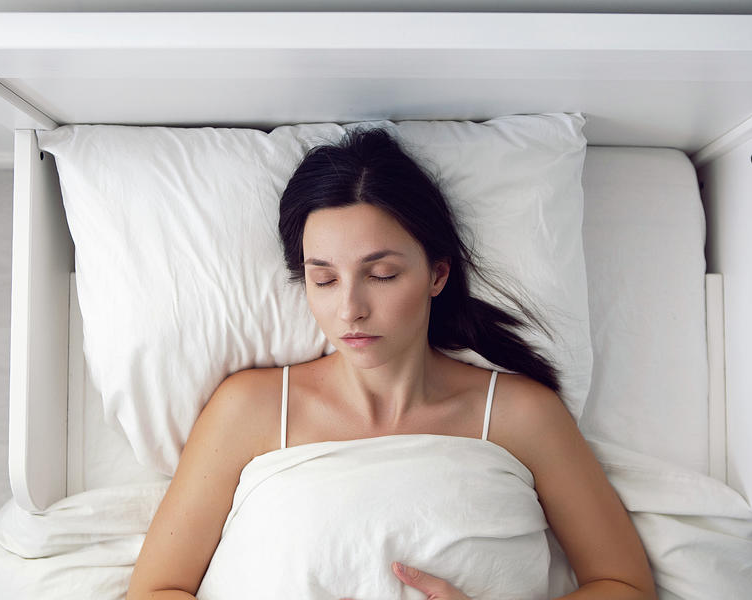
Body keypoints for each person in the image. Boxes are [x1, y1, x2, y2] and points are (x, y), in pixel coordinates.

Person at [126, 127, 657, 600]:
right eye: (325, 279)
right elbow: (156, 588)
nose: (350, 309)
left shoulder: (522, 413)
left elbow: (627, 585)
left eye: (380, 274)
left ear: (437, 275)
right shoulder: (251, 407)